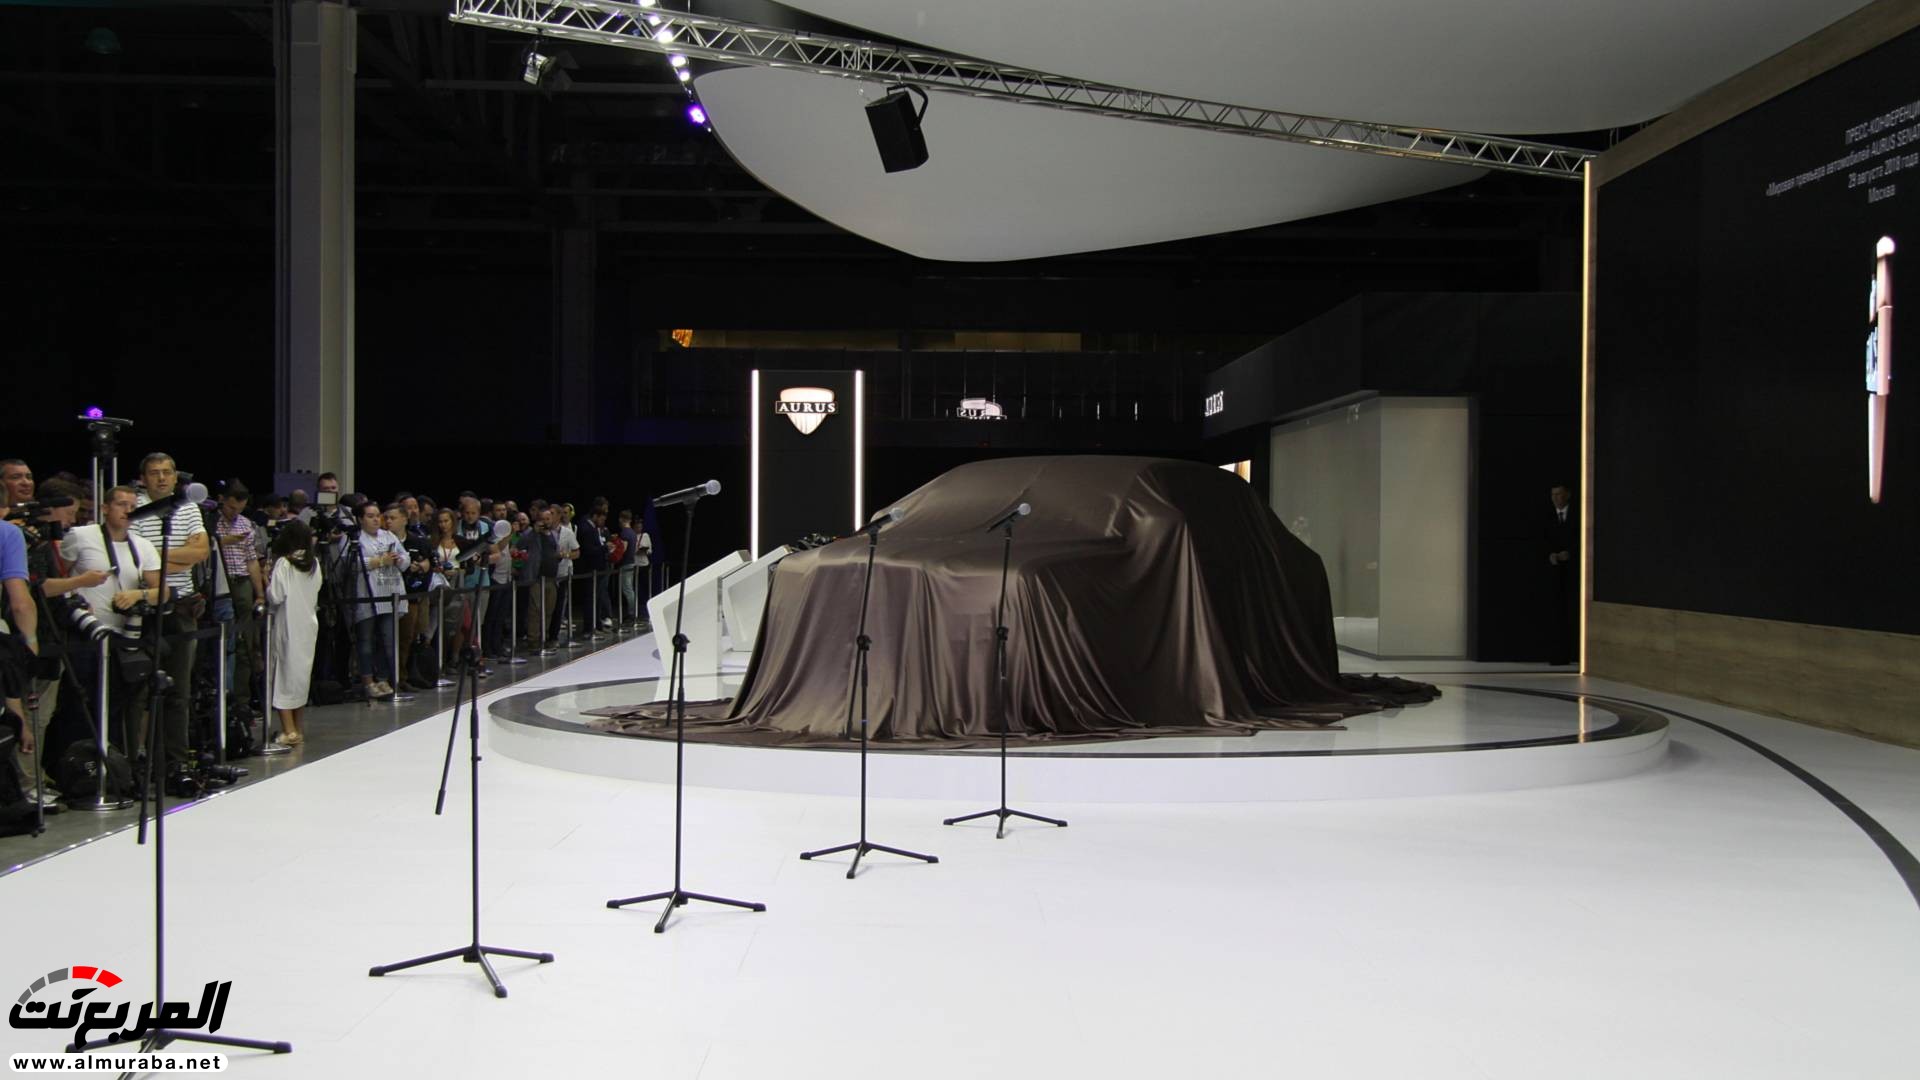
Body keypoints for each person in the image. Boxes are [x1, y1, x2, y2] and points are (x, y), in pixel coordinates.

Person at [60, 485, 162, 756]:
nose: (128, 510)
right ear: (105, 508)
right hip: (84, 635)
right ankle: (76, 764)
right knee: (80, 704)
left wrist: (137, 595)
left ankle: (113, 764)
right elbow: (58, 577)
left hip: (123, 638)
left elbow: (161, 591)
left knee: (116, 706)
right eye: (121, 504)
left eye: (133, 506)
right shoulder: (81, 536)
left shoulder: (143, 545)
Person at [128, 453, 210, 785]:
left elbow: (200, 552)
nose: (161, 478)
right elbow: (133, 559)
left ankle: (175, 761)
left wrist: (155, 554)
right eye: (154, 473)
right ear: (143, 478)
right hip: (144, 604)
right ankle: (135, 761)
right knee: (139, 690)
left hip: (182, 605)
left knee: (179, 690)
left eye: (167, 472)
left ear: (176, 477)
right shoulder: (135, 508)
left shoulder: (188, 507)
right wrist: (176, 558)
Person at [342, 500, 408, 701]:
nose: (376, 520)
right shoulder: (354, 538)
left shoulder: (388, 536)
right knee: (366, 640)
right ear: (360, 519)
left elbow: (405, 558)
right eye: (370, 516)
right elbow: (350, 563)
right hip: (367, 595)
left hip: (389, 593)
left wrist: (398, 559)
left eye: (377, 516)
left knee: (387, 640)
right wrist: (379, 561)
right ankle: (367, 681)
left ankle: (383, 678)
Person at [265, 519, 323, 746]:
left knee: (283, 676)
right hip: (308, 624)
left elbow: (276, 596)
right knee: (300, 677)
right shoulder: (314, 564)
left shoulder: (284, 564)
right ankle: (297, 728)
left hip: (287, 624)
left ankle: (288, 730)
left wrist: (267, 580)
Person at [214, 480, 265, 718]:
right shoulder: (211, 522)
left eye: (240, 508)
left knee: (246, 644)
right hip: (220, 585)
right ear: (222, 500)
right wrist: (223, 541)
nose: (235, 513)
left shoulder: (245, 524)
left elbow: (252, 560)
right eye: (231, 508)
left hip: (242, 581)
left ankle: (242, 700)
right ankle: (223, 697)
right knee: (226, 643)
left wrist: (259, 593)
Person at [1544, 483, 1578, 665]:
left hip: (1574, 572)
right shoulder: (1548, 517)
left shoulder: (1578, 516)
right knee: (1556, 613)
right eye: (1553, 495)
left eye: (1559, 494)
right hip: (1554, 572)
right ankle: (1557, 654)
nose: (1556, 498)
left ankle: (1574, 653)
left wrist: (1571, 553)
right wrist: (1550, 554)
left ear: (1568, 495)